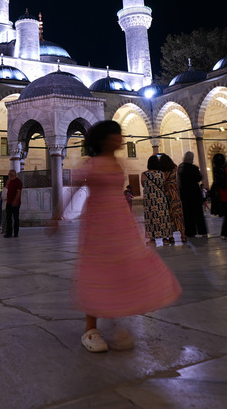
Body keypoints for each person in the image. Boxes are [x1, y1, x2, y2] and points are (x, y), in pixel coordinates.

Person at [50, 120, 181, 353]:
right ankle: (90, 329)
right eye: (116, 136)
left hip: (120, 222)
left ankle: (113, 323)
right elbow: (73, 190)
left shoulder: (118, 163)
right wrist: (57, 217)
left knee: (122, 269)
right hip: (98, 224)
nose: (120, 140)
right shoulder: (91, 164)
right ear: (104, 140)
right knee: (98, 270)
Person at [141, 155, 173, 243]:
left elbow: (143, 185)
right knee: (163, 217)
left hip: (149, 200)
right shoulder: (162, 173)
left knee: (151, 218)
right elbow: (164, 184)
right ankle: (165, 238)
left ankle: (152, 239)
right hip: (160, 198)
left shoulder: (144, 174)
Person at [178, 152, 208, 238]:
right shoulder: (194, 168)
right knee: (198, 213)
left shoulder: (181, 167)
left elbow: (179, 180)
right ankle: (202, 231)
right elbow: (199, 178)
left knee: (187, 214)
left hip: (185, 194)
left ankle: (190, 232)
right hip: (194, 193)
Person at [158, 153, 185, 243]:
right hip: (175, 193)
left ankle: (171, 237)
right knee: (177, 214)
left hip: (166, 193)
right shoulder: (174, 168)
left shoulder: (162, 171)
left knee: (168, 215)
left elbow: (163, 180)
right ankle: (183, 236)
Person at [4, 169, 23, 238]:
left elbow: (18, 192)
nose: (8, 175)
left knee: (15, 219)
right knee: (8, 218)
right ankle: (9, 233)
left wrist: (15, 201)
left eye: (9, 174)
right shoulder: (10, 182)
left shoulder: (18, 182)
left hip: (15, 203)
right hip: (9, 203)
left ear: (11, 175)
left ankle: (15, 233)